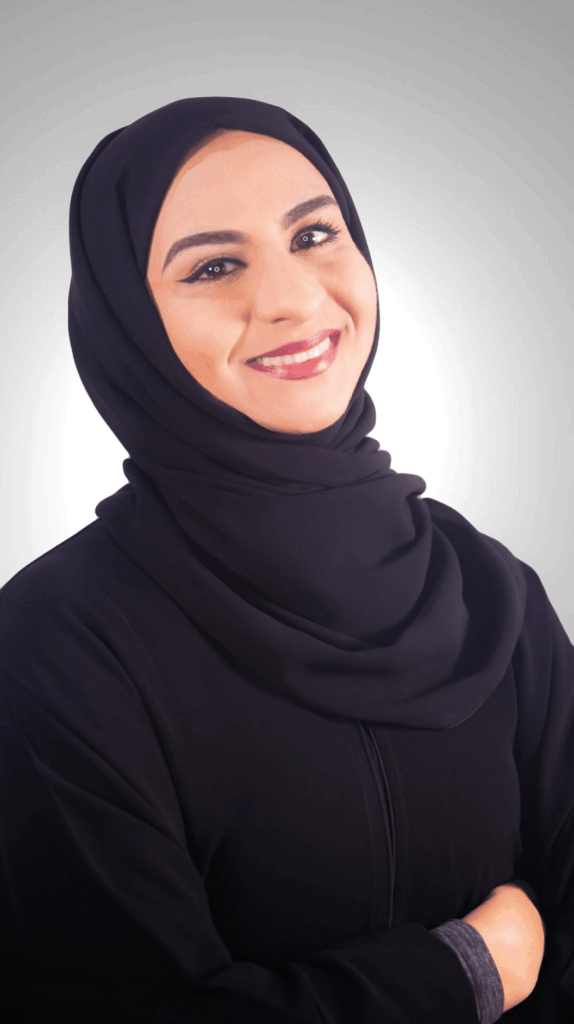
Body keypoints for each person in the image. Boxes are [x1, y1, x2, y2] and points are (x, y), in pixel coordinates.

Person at [0, 96, 572, 1024]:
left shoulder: (488, 590)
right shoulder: (55, 643)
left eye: (313, 235)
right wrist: (464, 973)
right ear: (128, 328)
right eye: (214, 265)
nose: (294, 300)